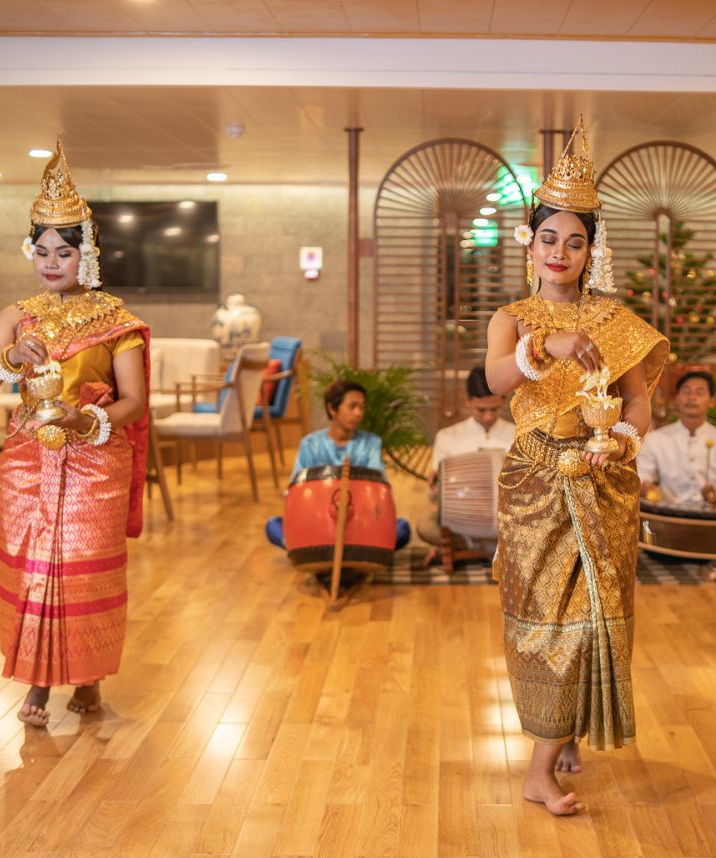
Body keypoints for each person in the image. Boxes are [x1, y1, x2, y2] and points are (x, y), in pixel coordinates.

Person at [485, 117, 668, 816]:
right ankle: (540, 765)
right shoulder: (512, 318)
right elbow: (496, 380)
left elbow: (640, 403)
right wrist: (546, 346)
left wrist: (620, 441)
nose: (559, 251)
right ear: (528, 243)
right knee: (545, 620)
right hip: (534, 482)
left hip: (602, 480)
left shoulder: (615, 322)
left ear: (593, 251)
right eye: (548, 238)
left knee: (594, 616)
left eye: (575, 241)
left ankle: (559, 737)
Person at [0, 138, 149, 728]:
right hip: (27, 460)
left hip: (93, 459)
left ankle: (89, 679)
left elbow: (134, 401)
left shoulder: (116, 321)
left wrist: (83, 420)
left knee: (81, 567)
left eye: (64, 253)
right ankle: (38, 681)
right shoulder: (15, 316)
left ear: (86, 255)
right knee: (32, 566)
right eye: (42, 251)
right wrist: (10, 358)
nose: (51, 263)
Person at [265, 379, 410, 549]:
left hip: (360, 523)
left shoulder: (371, 443)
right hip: (318, 522)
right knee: (272, 524)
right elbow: (295, 489)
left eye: (362, 407)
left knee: (403, 528)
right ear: (332, 409)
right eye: (352, 406)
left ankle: (303, 548)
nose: (359, 413)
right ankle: (300, 546)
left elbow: (377, 486)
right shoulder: (310, 444)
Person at [417, 366, 515, 558]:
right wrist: (434, 488)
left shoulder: (518, 434)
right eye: (481, 410)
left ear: (503, 400)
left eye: (494, 409)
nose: (488, 416)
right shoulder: (447, 437)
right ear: (468, 402)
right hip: (462, 522)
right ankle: (492, 548)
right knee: (426, 525)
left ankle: (475, 548)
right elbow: (436, 498)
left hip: (506, 519)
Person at [638, 370, 716, 507]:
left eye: (700, 392)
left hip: (711, 515)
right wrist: (644, 487)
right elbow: (641, 477)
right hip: (668, 515)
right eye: (686, 391)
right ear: (677, 398)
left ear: (712, 401)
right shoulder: (655, 440)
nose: (692, 397)